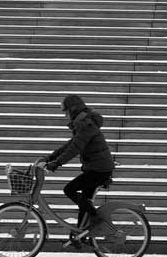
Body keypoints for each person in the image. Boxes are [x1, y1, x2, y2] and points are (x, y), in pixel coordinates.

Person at [43, 94, 115, 230]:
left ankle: (96, 216)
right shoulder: (82, 124)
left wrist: (57, 163)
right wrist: (49, 158)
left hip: (99, 170)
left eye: (66, 112)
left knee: (69, 190)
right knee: (84, 203)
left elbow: (75, 148)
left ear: (73, 110)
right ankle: (80, 234)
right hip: (96, 168)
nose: (65, 116)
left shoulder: (86, 125)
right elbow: (69, 145)